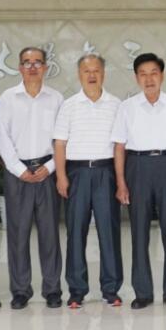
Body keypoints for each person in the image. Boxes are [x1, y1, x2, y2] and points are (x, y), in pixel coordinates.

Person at [112, 52, 166, 309]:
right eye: (143, 74)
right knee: (138, 232)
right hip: (137, 168)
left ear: (162, 76)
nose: (149, 79)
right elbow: (119, 147)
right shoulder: (127, 107)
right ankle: (143, 292)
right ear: (136, 78)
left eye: (153, 73)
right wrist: (121, 182)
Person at [0, 47, 66, 310]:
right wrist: (17, 168)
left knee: (50, 234)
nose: (32, 67)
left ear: (46, 67)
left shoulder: (56, 98)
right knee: (18, 234)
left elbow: (62, 137)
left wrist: (51, 166)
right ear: (19, 67)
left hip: (48, 172)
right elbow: (2, 136)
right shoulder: (8, 97)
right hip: (18, 174)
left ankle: (52, 289)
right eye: (27, 62)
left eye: (37, 62)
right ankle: (21, 290)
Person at [54, 54, 123, 309]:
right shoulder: (69, 105)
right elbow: (59, 144)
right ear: (79, 75)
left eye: (96, 71)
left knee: (109, 232)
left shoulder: (116, 104)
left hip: (106, 172)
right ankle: (76, 290)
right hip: (77, 173)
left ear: (103, 73)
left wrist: (121, 180)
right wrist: (61, 176)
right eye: (86, 71)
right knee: (75, 232)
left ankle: (111, 289)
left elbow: (120, 145)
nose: (91, 75)